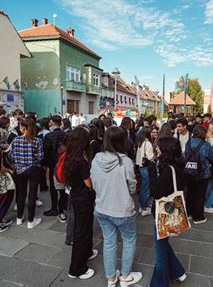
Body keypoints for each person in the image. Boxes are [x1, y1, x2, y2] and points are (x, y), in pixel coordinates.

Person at [91, 126, 142, 286]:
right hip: (122, 210)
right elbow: (132, 186)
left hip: (101, 207)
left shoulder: (97, 158)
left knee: (109, 241)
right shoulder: (125, 161)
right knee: (129, 239)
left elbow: (93, 182)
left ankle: (111, 278)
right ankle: (125, 276)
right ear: (122, 141)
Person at [149, 137, 187, 286]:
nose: (156, 149)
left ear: (165, 150)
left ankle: (159, 284)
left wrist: (152, 172)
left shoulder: (167, 170)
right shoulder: (177, 167)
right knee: (164, 244)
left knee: (160, 255)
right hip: (171, 211)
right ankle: (178, 272)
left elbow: (156, 192)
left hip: (162, 215)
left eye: (158, 147)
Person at [64, 127, 98, 280]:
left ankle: (88, 252)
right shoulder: (81, 160)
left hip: (76, 196)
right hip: (83, 198)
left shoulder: (70, 156)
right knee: (81, 231)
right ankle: (77, 269)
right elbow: (88, 183)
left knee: (85, 228)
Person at [9, 117, 43, 229]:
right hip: (33, 169)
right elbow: (41, 157)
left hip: (19, 170)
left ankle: (19, 218)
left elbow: (11, 156)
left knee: (21, 194)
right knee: (32, 194)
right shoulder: (37, 140)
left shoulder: (15, 140)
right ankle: (31, 221)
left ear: (23, 128)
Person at [185, 125, 213, 224]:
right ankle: (198, 217)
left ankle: (188, 213)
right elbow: (212, 156)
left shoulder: (188, 143)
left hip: (189, 171)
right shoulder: (206, 145)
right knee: (200, 194)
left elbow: (186, 154)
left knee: (189, 192)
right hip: (203, 173)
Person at [43, 115, 67, 222]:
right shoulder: (65, 134)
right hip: (63, 162)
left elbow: (46, 151)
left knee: (53, 187)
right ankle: (63, 206)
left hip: (53, 164)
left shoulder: (48, 136)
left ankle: (54, 208)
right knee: (64, 185)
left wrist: (45, 163)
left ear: (52, 122)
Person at [136, 127, 156, 217]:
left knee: (142, 187)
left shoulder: (140, 142)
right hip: (146, 167)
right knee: (146, 188)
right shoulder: (147, 143)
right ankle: (144, 207)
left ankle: (141, 205)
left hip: (141, 167)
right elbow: (150, 157)